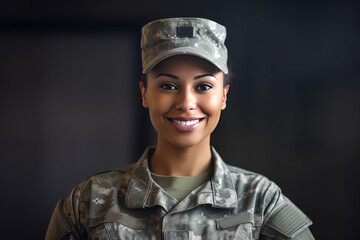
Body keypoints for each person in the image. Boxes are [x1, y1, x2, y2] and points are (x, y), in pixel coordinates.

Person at [45, 17, 314, 240]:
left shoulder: (261, 202)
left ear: (223, 96)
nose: (186, 103)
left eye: (204, 86)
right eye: (168, 85)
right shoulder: (88, 202)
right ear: (144, 94)